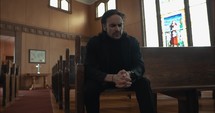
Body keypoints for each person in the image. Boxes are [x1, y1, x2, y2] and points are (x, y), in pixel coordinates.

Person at [84, 9, 155, 113]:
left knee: (144, 83)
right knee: (89, 87)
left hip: (126, 79)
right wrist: (112, 78)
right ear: (104, 27)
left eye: (120, 25)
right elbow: (89, 69)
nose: (117, 29)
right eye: (113, 26)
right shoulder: (94, 42)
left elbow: (139, 65)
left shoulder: (132, 42)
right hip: (104, 80)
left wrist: (129, 75)